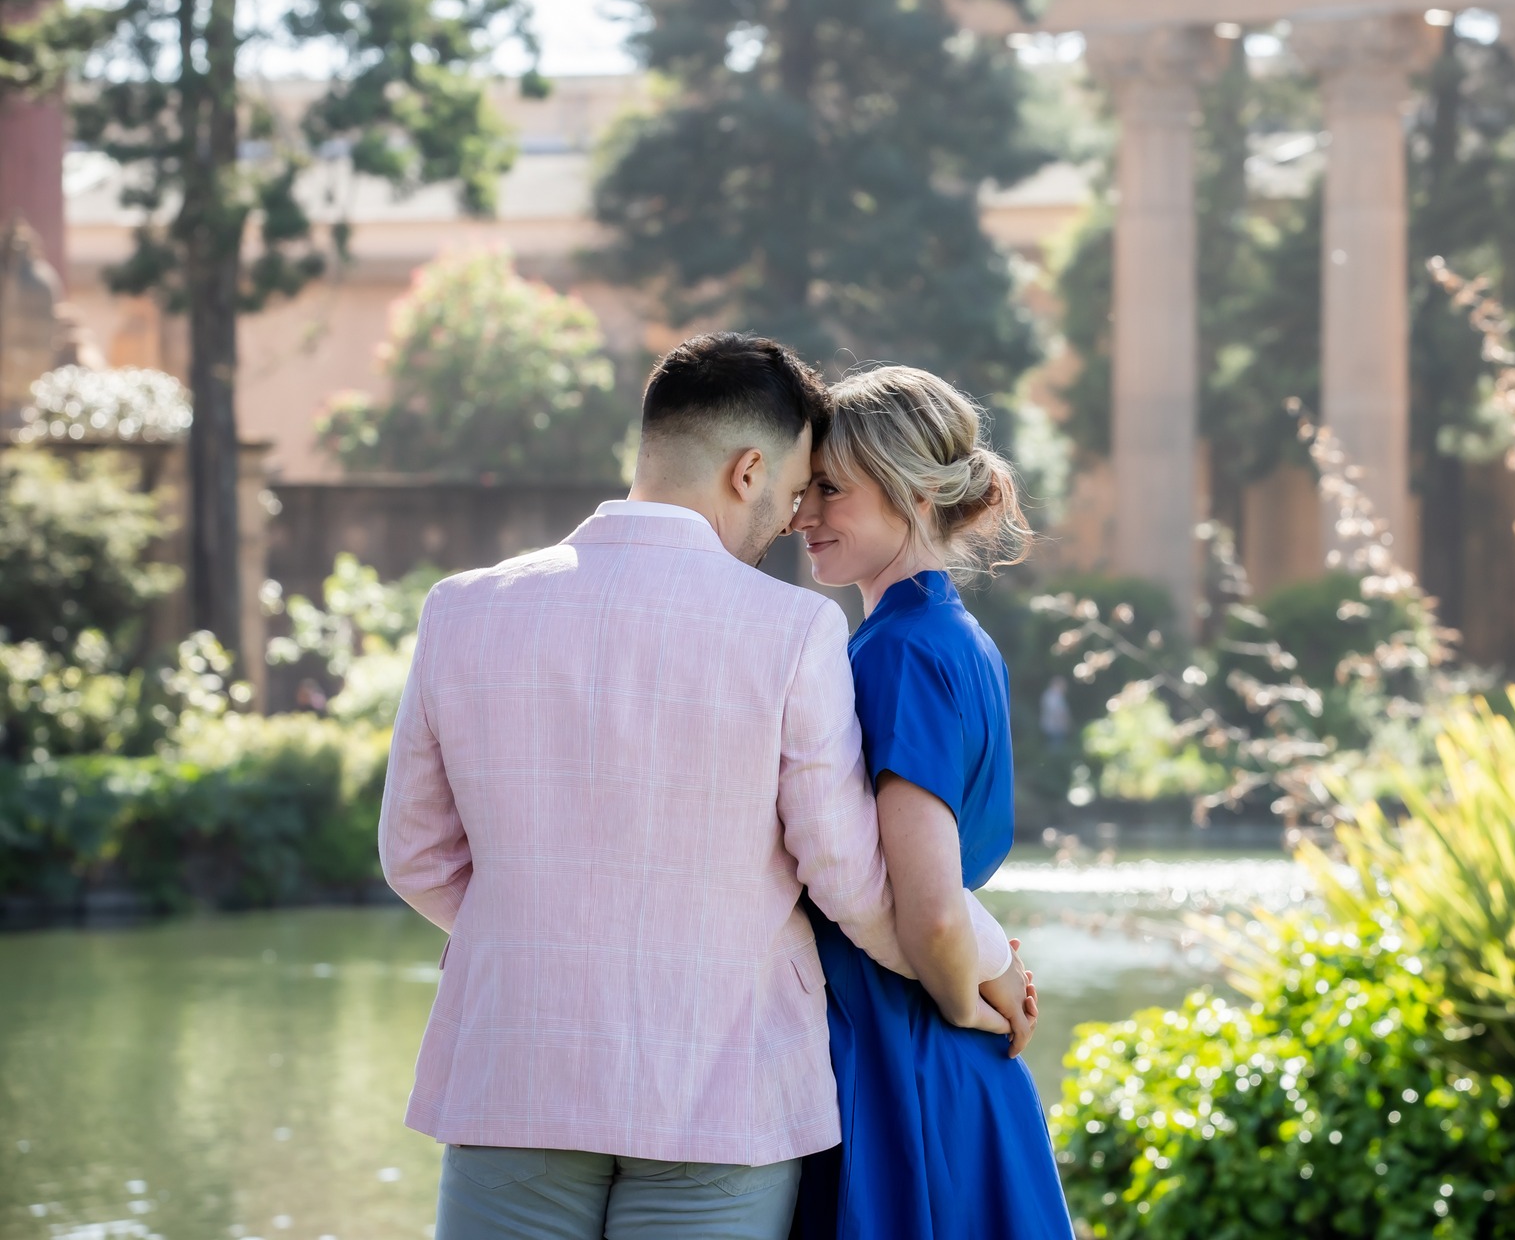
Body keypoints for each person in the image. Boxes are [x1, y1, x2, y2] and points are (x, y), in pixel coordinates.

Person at [378, 333, 1032, 1240]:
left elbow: (415, 858)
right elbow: (849, 879)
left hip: (513, 1074)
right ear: (747, 470)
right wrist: (986, 965)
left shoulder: (462, 608)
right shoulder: (793, 630)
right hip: (723, 1091)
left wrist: (550, 940)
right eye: (797, 489)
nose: (794, 518)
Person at [787, 365, 1071, 1240]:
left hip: (903, 1055)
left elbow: (934, 906)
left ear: (913, 493)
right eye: (803, 490)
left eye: (830, 490)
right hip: (942, 1053)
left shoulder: (899, 653)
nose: (801, 516)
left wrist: (960, 1003)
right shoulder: (955, 637)